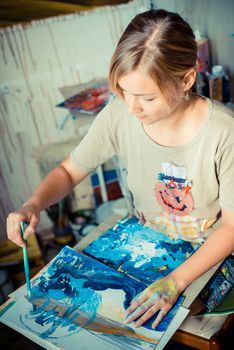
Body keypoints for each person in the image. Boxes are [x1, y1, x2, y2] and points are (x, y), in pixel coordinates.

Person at [7, 9, 234, 330]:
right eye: (123, 92)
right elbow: (69, 171)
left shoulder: (225, 133)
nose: (131, 107)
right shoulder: (119, 114)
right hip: (146, 242)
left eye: (146, 97)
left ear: (186, 79)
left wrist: (175, 281)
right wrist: (33, 203)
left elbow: (231, 229)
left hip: (209, 256)